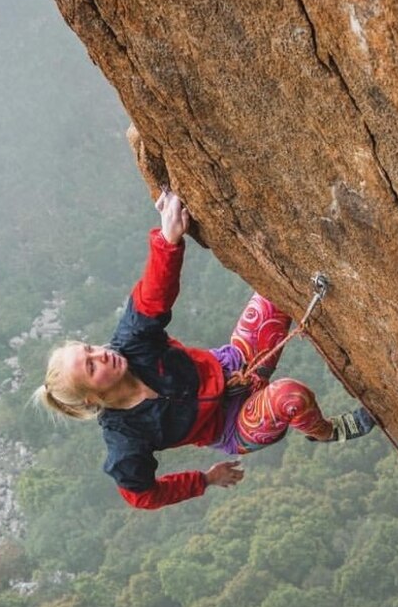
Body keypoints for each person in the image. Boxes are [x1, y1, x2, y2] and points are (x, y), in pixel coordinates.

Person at [34, 190, 374, 510]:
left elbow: (153, 296)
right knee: (290, 396)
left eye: (90, 350)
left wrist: (169, 238)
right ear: (92, 398)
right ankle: (329, 432)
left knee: (275, 291)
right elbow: (142, 496)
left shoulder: (130, 344)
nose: (101, 354)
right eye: (91, 368)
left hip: (236, 364)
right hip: (234, 425)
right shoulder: (126, 438)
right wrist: (205, 480)